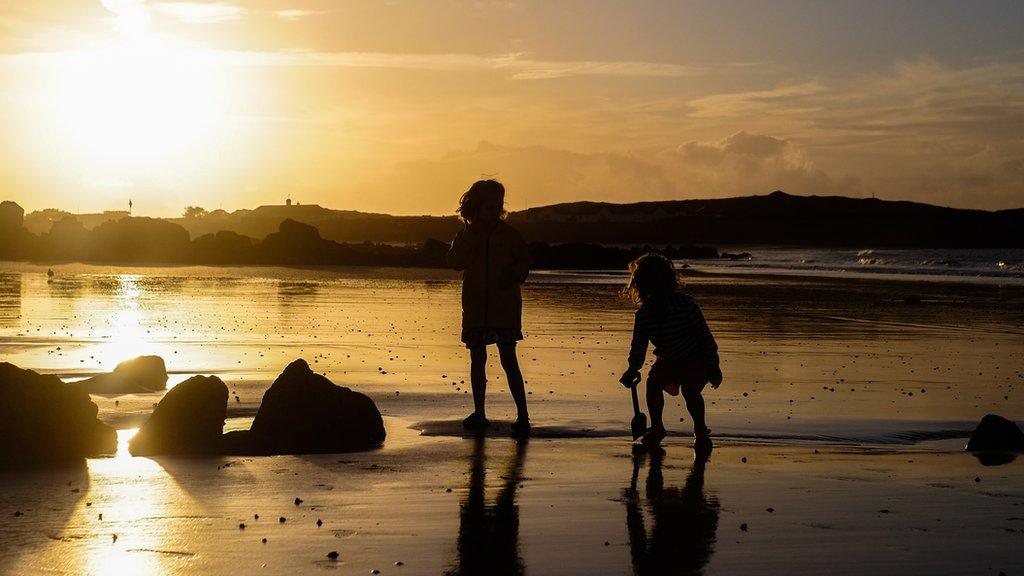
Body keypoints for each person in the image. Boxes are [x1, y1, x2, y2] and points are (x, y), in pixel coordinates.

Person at [446, 179, 532, 435]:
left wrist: (514, 274)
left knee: (508, 359)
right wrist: (468, 240)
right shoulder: (465, 234)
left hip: (504, 308)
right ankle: (480, 412)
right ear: (475, 208)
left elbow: (524, 261)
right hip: (475, 307)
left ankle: (523, 416)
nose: (493, 213)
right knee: (477, 359)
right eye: (488, 208)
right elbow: (453, 261)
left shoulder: (509, 235)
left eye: (497, 207)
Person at [619, 254, 722, 448]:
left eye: (660, 286)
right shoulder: (643, 315)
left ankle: (700, 430)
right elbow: (638, 346)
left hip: (694, 358)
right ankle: (657, 428)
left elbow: (705, 337)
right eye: (650, 287)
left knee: (691, 392)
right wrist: (633, 369)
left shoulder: (685, 305)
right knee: (652, 384)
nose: (656, 292)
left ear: (669, 283)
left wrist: (713, 366)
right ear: (642, 288)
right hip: (667, 360)